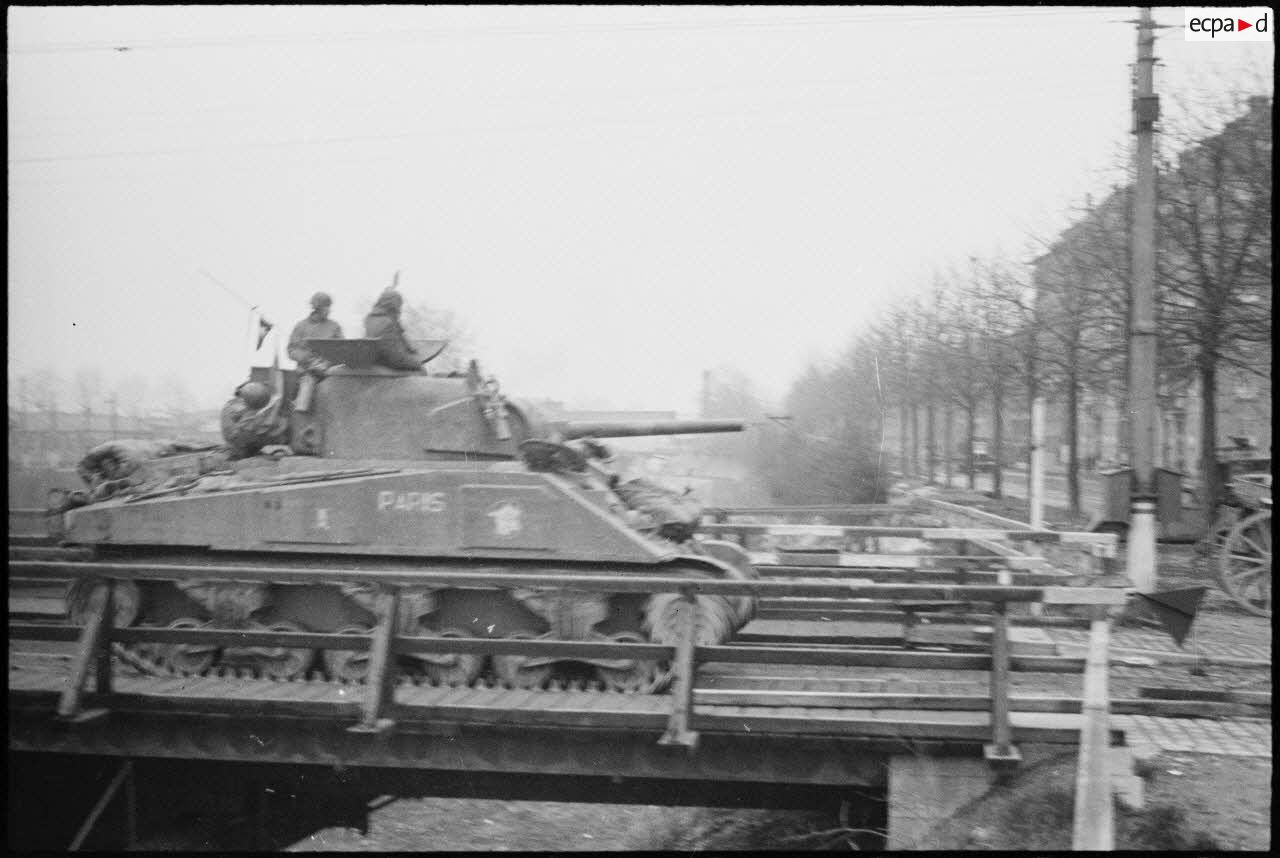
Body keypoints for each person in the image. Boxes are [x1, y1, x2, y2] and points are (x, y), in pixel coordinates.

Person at [287, 292, 344, 411]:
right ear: (317, 308)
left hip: (329, 369)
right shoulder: (301, 326)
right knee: (305, 390)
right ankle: (300, 411)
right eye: (326, 307)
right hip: (307, 371)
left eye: (329, 307)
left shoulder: (334, 327)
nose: (329, 310)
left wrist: (327, 363)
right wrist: (309, 361)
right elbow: (292, 349)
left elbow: (341, 348)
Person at [363, 289, 423, 371]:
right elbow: (397, 358)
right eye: (399, 306)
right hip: (389, 368)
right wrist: (417, 362)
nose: (400, 310)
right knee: (421, 371)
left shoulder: (370, 319)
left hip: (376, 364)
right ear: (395, 306)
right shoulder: (388, 323)